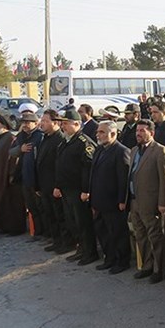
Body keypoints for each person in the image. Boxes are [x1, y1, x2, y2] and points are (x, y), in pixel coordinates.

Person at [54, 107, 100, 266]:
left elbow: (88, 168)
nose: (63, 126)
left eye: (66, 123)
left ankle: (90, 252)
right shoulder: (65, 141)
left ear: (77, 124)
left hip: (78, 191)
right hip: (67, 190)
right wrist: (58, 185)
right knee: (72, 222)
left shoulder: (83, 142)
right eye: (62, 123)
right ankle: (81, 249)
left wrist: (86, 190)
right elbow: (59, 165)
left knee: (83, 223)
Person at [127, 119, 165, 283]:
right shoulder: (134, 150)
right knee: (141, 235)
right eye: (137, 131)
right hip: (135, 200)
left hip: (151, 202)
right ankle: (147, 266)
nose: (138, 134)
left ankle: (160, 269)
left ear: (151, 133)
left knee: (155, 236)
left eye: (142, 131)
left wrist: (162, 202)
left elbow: (164, 179)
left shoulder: (160, 151)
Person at [89, 121, 132, 274]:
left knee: (117, 233)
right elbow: (93, 174)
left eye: (102, 132)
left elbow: (123, 179)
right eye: (98, 132)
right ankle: (110, 258)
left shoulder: (121, 151)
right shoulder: (99, 149)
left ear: (113, 134)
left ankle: (122, 261)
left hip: (113, 202)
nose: (98, 135)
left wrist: (122, 200)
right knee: (103, 232)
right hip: (99, 200)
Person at [36, 110, 71, 253]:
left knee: (60, 216)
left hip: (55, 186)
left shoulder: (59, 139)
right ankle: (56, 240)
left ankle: (67, 242)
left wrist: (58, 185)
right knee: (50, 215)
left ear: (55, 122)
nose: (41, 124)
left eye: (45, 121)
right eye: (42, 120)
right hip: (45, 185)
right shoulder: (45, 138)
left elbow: (60, 166)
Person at [9, 112, 45, 239]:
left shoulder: (40, 136)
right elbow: (11, 152)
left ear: (36, 123)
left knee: (41, 207)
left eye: (28, 122)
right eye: (23, 122)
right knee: (31, 207)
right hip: (24, 177)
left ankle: (45, 232)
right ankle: (37, 232)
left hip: (36, 177)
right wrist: (20, 149)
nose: (25, 125)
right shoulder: (20, 136)